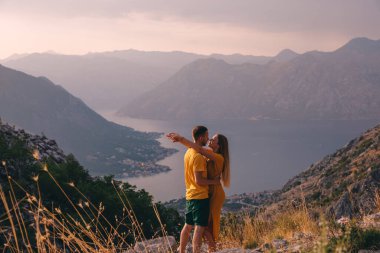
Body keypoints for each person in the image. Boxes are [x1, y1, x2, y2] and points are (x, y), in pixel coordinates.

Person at [167, 131, 230, 252]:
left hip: (215, 194)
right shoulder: (210, 154)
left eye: (213, 139)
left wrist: (181, 139)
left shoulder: (218, 158)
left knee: (207, 226)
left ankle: (212, 249)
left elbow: (199, 149)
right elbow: (196, 149)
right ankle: (212, 250)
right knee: (204, 227)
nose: (210, 140)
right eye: (209, 138)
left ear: (219, 145)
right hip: (209, 191)